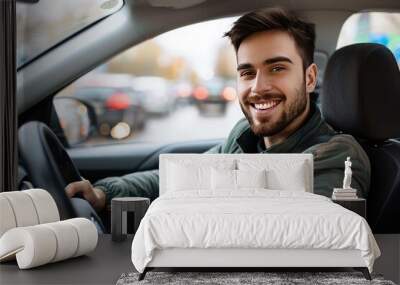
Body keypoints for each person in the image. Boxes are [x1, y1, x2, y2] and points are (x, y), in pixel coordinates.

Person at [66, 7, 370, 212]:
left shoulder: (337, 156)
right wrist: (105, 193)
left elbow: (286, 237)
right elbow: (178, 179)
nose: (257, 87)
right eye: (247, 72)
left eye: (277, 68)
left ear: (309, 78)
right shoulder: (243, 136)